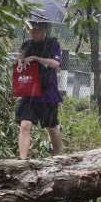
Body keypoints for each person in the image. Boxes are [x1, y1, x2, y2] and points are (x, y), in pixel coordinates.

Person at [16, 19, 63, 159]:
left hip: (48, 93)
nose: (36, 33)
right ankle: (22, 161)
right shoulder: (26, 45)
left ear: (45, 30)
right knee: (25, 124)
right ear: (29, 31)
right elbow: (19, 66)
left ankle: (58, 157)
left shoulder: (52, 43)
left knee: (52, 128)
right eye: (33, 30)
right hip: (30, 92)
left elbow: (55, 64)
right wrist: (21, 61)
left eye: (40, 30)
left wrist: (35, 58)